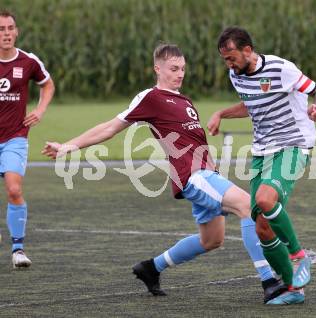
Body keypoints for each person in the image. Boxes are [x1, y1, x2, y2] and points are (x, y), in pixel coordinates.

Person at [42, 43, 287, 303]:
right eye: (173, 68)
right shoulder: (151, 97)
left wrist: (214, 168)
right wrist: (68, 146)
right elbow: (110, 128)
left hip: (206, 174)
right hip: (193, 177)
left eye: (182, 68)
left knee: (212, 240)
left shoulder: (184, 100)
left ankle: (151, 268)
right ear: (157, 69)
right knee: (249, 208)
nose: (179, 73)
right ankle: (270, 282)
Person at [208, 26, 316, 305]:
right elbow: (250, 105)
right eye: (225, 59)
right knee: (262, 228)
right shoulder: (235, 74)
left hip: (293, 144)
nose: (228, 64)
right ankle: (293, 290)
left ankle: (299, 257)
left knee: (264, 199)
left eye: (231, 57)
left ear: (248, 50)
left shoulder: (281, 68)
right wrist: (220, 113)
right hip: (262, 151)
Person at [0, 10, 55, 268]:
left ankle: (18, 249)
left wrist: (40, 110)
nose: (6, 33)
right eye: (1, 29)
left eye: (10, 28)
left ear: (17, 31)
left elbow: (47, 84)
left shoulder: (28, 61)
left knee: (14, 189)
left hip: (15, 138)